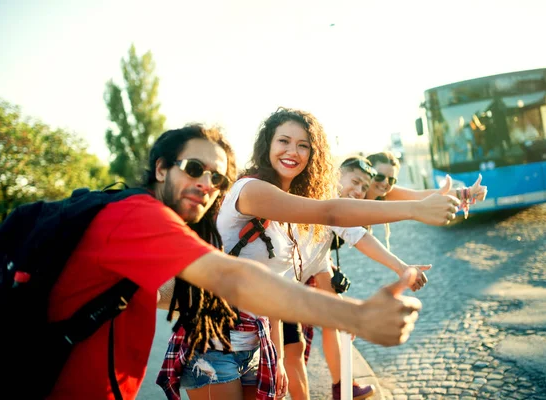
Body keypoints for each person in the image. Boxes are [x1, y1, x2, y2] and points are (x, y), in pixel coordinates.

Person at [41, 124, 426, 400]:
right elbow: (233, 278)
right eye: (194, 169)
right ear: (161, 168)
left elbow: (174, 290)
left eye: (218, 178)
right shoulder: (137, 215)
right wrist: (355, 317)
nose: (208, 185)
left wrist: (270, 354)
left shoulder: (175, 225)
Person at [158, 109, 461, 400]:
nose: (293, 151)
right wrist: (415, 210)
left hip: (256, 343)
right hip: (211, 345)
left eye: (303, 145)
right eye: (284, 141)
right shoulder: (250, 190)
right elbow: (331, 211)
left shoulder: (293, 214)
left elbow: (270, 292)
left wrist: (275, 359)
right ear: (268, 146)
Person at [282, 156, 432, 400]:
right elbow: (360, 237)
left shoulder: (334, 211)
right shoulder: (328, 201)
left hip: (288, 289)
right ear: (335, 176)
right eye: (355, 182)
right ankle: (341, 385)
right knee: (279, 359)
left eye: (364, 187)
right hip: (271, 287)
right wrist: (401, 267)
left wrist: (347, 314)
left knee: (293, 353)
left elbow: (323, 267)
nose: (360, 191)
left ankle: (342, 386)